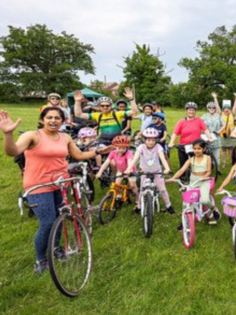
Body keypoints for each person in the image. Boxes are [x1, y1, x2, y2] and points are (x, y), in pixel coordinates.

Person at [0, 108, 112, 274]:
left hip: (61, 183)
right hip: (38, 185)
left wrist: (97, 151)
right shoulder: (33, 136)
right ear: (42, 119)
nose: (53, 120)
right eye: (49, 117)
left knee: (60, 217)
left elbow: (79, 154)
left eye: (57, 118)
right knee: (47, 223)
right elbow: (13, 151)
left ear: (63, 120)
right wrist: (8, 134)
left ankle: (56, 248)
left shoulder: (65, 137)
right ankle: (41, 259)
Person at [167, 139, 220, 224]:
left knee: (205, 200)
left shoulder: (208, 158)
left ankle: (214, 209)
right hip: (193, 181)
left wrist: (204, 177)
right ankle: (185, 220)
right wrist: (172, 178)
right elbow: (181, 170)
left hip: (203, 181)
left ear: (204, 149)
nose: (197, 150)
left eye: (199, 148)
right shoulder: (191, 160)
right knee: (186, 201)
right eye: (195, 148)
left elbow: (209, 171)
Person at [123, 127, 174, 214]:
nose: (151, 142)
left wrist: (167, 168)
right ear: (144, 139)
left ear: (156, 140)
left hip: (156, 171)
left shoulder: (158, 147)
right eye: (148, 140)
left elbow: (163, 158)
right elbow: (135, 159)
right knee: (142, 190)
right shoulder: (141, 147)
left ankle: (168, 205)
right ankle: (139, 206)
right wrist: (128, 169)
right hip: (144, 171)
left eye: (153, 140)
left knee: (162, 189)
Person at [73, 88, 138, 145]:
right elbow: (78, 114)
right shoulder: (98, 115)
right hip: (103, 140)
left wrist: (131, 99)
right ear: (99, 107)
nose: (105, 107)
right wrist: (77, 101)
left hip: (117, 140)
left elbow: (134, 111)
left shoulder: (117, 114)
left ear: (111, 106)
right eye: (102, 106)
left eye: (107, 105)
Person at [95, 135, 139, 210]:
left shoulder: (128, 153)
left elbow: (129, 162)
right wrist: (100, 172)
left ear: (127, 147)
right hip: (121, 171)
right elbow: (106, 163)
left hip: (131, 171)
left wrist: (128, 171)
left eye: (123, 148)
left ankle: (138, 198)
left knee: (133, 186)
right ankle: (118, 197)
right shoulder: (113, 153)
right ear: (115, 147)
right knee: (116, 185)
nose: (121, 150)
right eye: (119, 148)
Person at [169, 102, 213, 170]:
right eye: (189, 110)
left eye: (193, 110)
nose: (191, 112)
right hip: (183, 145)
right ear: (186, 111)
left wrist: (210, 137)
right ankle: (183, 176)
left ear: (195, 111)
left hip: (196, 146)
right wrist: (171, 142)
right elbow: (175, 133)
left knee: (197, 164)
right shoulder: (181, 121)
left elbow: (205, 130)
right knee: (183, 165)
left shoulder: (199, 120)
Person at [201, 94, 224, 166]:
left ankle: (218, 168)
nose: (212, 108)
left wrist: (219, 131)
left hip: (216, 138)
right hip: (206, 138)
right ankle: (208, 168)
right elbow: (199, 125)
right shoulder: (204, 116)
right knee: (206, 155)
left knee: (216, 156)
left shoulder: (218, 116)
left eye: (213, 107)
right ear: (207, 108)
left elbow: (223, 125)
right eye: (210, 107)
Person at [219, 93, 236, 168]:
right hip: (223, 134)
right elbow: (217, 107)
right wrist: (215, 98)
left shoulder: (232, 114)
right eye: (225, 108)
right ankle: (224, 162)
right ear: (223, 109)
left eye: (228, 108)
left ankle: (231, 161)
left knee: (231, 150)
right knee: (223, 150)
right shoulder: (221, 114)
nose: (226, 109)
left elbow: (235, 106)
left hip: (231, 135)